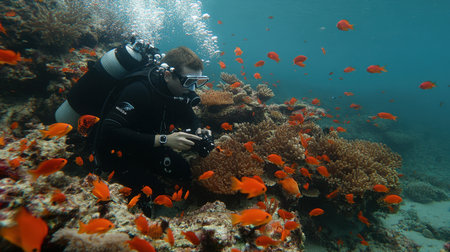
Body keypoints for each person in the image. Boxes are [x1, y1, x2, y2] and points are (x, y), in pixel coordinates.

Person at [94, 46, 212, 196]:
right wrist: (164, 139)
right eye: (189, 81)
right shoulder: (139, 90)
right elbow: (109, 130)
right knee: (153, 192)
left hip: (149, 145)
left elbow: (189, 116)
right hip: (119, 150)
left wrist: (199, 130)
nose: (193, 89)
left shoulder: (179, 91)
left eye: (198, 82)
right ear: (168, 75)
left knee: (184, 171)